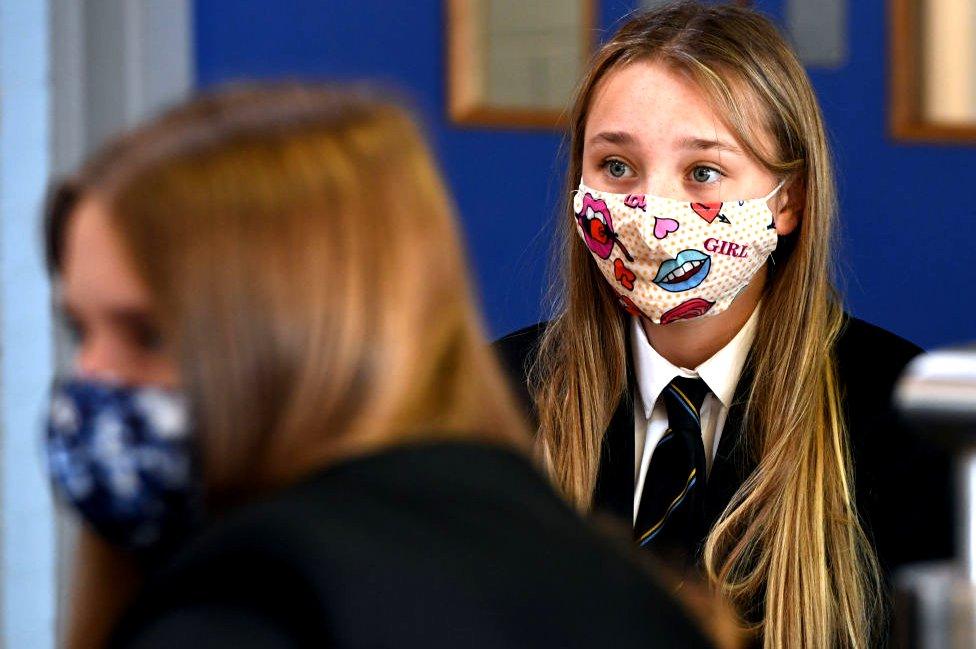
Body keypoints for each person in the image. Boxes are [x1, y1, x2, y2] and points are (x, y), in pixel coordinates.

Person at [44, 85, 716, 648]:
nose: (90, 376)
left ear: (304, 327)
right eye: (80, 329)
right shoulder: (625, 591)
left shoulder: (249, 611)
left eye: (148, 334)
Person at [495, 3, 954, 647]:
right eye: (617, 167)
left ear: (787, 201)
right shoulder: (497, 401)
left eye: (703, 172)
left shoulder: (906, 422)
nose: (651, 212)